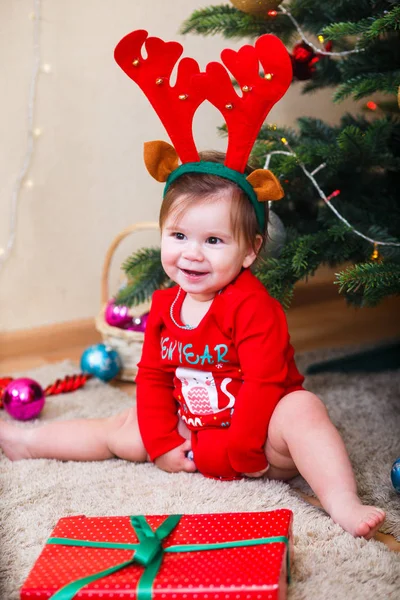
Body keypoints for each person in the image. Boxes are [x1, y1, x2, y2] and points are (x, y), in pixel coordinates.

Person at [0, 150, 386, 540]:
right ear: (163, 232)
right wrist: (163, 442)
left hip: (263, 442)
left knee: (303, 409)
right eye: (179, 235)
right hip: (194, 432)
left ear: (250, 250)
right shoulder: (166, 305)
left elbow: (263, 383)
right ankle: (29, 442)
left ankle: (342, 500)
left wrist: (240, 453)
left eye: (214, 240)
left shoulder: (253, 308)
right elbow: (152, 376)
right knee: (125, 425)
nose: (192, 253)